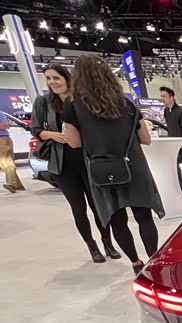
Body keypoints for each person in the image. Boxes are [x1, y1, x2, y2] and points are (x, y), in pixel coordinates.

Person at [62, 55, 165, 275]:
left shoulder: (73, 107)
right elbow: (146, 138)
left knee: (117, 220)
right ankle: (153, 261)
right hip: (134, 167)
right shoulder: (126, 104)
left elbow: (73, 142)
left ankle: (136, 263)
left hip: (102, 170)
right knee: (144, 217)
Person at [31, 63, 120, 263]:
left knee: (98, 205)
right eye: (48, 78)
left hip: (87, 160)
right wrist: (54, 135)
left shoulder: (81, 100)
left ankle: (108, 243)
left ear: (67, 78)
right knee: (78, 207)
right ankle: (92, 246)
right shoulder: (43, 102)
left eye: (56, 78)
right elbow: (36, 130)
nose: (52, 82)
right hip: (62, 164)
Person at [0, 111, 25, 194]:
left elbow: (5, 125)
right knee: (7, 162)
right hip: (3, 139)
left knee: (6, 162)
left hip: (2, 139)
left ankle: (12, 184)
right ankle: (18, 186)